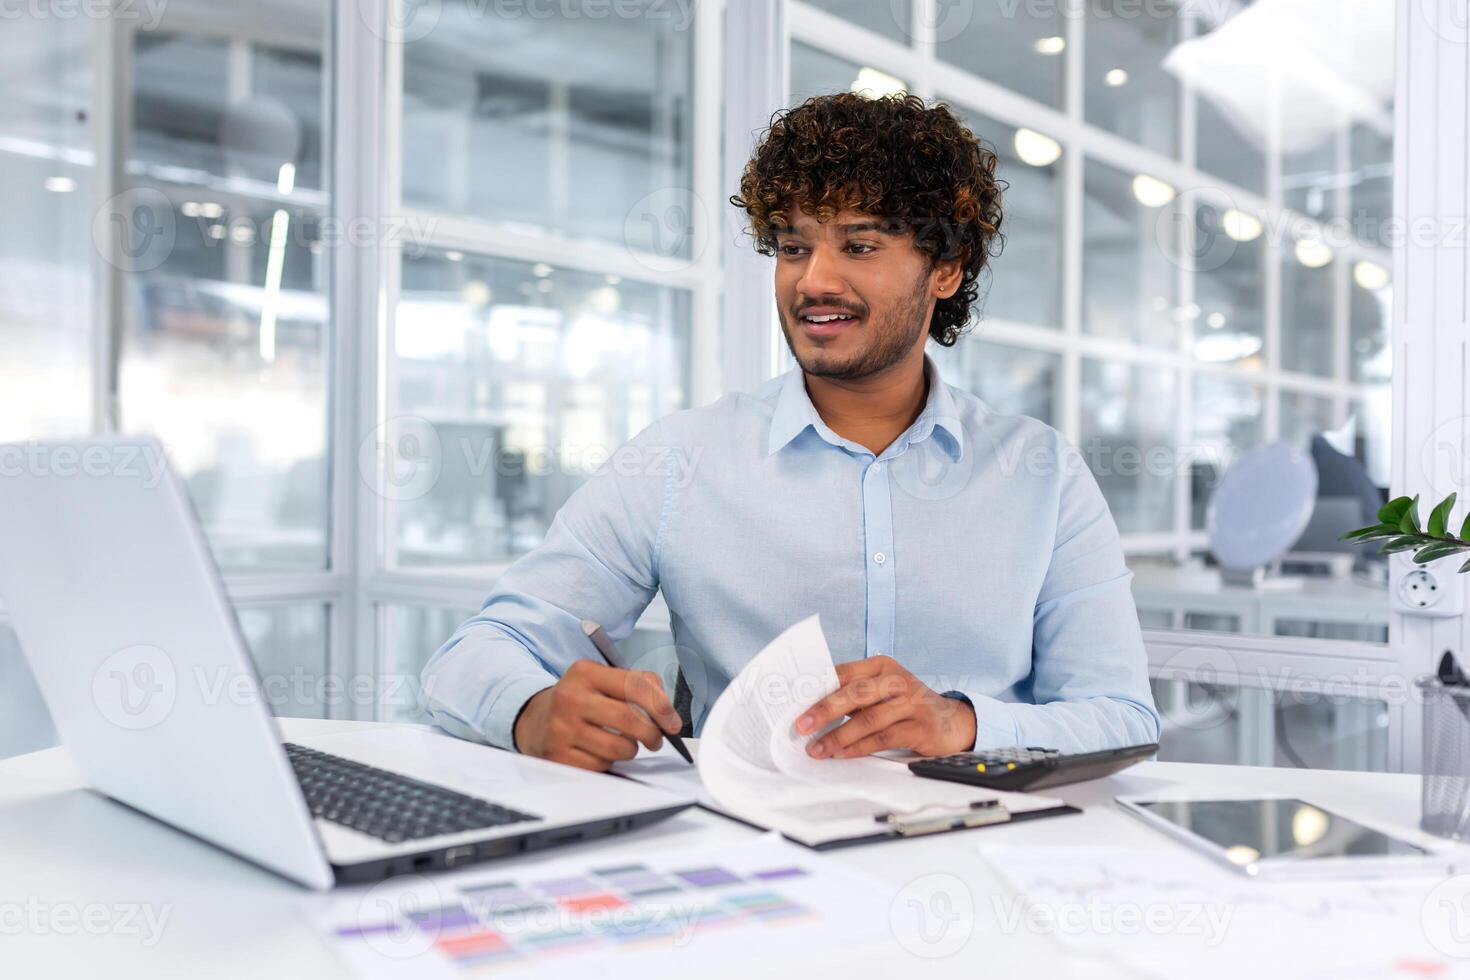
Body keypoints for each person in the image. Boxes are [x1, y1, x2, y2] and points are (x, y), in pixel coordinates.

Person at [421, 92, 1160, 771]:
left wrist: (961, 724)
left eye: (860, 247)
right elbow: (473, 656)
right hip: (752, 855)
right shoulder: (682, 461)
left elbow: (1123, 719)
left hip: (985, 853)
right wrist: (534, 711)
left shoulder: (1041, 474)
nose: (813, 281)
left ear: (945, 268)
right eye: (794, 246)